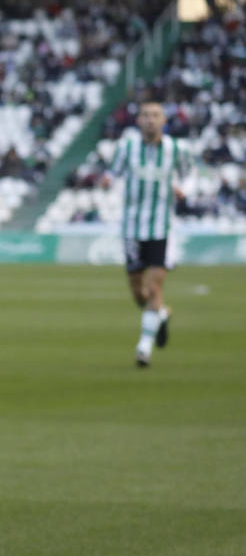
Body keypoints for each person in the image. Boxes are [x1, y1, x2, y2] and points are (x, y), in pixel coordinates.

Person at [101, 100, 191, 368]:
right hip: (131, 228)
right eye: (145, 115)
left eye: (155, 115)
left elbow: (190, 175)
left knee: (154, 287)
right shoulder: (127, 147)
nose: (150, 119)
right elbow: (112, 172)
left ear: (164, 121)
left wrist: (183, 188)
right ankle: (161, 314)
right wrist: (106, 181)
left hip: (160, 227)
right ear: (138, 120)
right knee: (138, 294)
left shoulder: (176, 149)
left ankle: (144, 348)